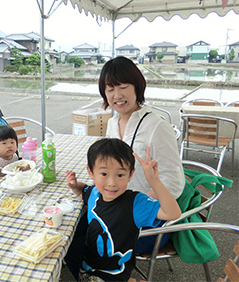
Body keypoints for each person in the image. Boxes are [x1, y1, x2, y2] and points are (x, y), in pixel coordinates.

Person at [98, 56, 185, 253]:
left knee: (94, 239)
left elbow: (174, 183)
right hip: (119, 205)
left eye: (123, 86)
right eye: (110, 89)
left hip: (149, 220)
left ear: (137, 86)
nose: (117, 95)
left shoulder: (156, 126)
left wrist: (134, 205)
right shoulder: (112, 123)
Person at [65, 138, 181, 282]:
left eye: (120, 175)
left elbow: (173, 213)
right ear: (91, 172)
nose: (112, 183)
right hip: (88, 265)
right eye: (104, 174)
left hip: (112, 275)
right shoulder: (95, 192)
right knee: (67, 250)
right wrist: (75, 185)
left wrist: (154, 181)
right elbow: (84, 191)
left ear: (130, 174)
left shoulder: (135, 203)